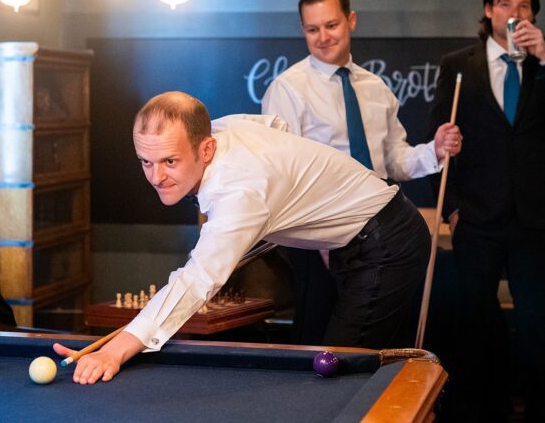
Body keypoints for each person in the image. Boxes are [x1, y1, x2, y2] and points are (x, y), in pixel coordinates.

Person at [53, 91, 432, 383]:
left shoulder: (238, 191)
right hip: (356, 238)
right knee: (333, 358)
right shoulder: (220, 127)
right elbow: (276, 125)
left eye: (170, 161)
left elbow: (198, 279)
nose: (156, 177)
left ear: (206, 148)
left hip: (389, 241)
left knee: (341, 367)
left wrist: (115, 351)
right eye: (145, 162)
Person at [427, 0, 545, 423]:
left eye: (525, 7)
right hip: (476, 219)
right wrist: (453, 211)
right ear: (489, 11)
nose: (515, 13)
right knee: (474, 326)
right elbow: (438, 139)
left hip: (535, 220)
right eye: (506, 4)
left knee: (537, 328)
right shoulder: (457, 64)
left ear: (534, 16)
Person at [262, 0, 461, 344]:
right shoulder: (288, 89)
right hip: (319, 234)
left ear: (350, 20)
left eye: (331, 25)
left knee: (380, 338)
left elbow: (395, 161)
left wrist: (435, 150)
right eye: (312, 29)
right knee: (319, 339)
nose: (323, 36)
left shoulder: (376, 88)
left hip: (380, 232)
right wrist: (318, 236)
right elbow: (283, 173)